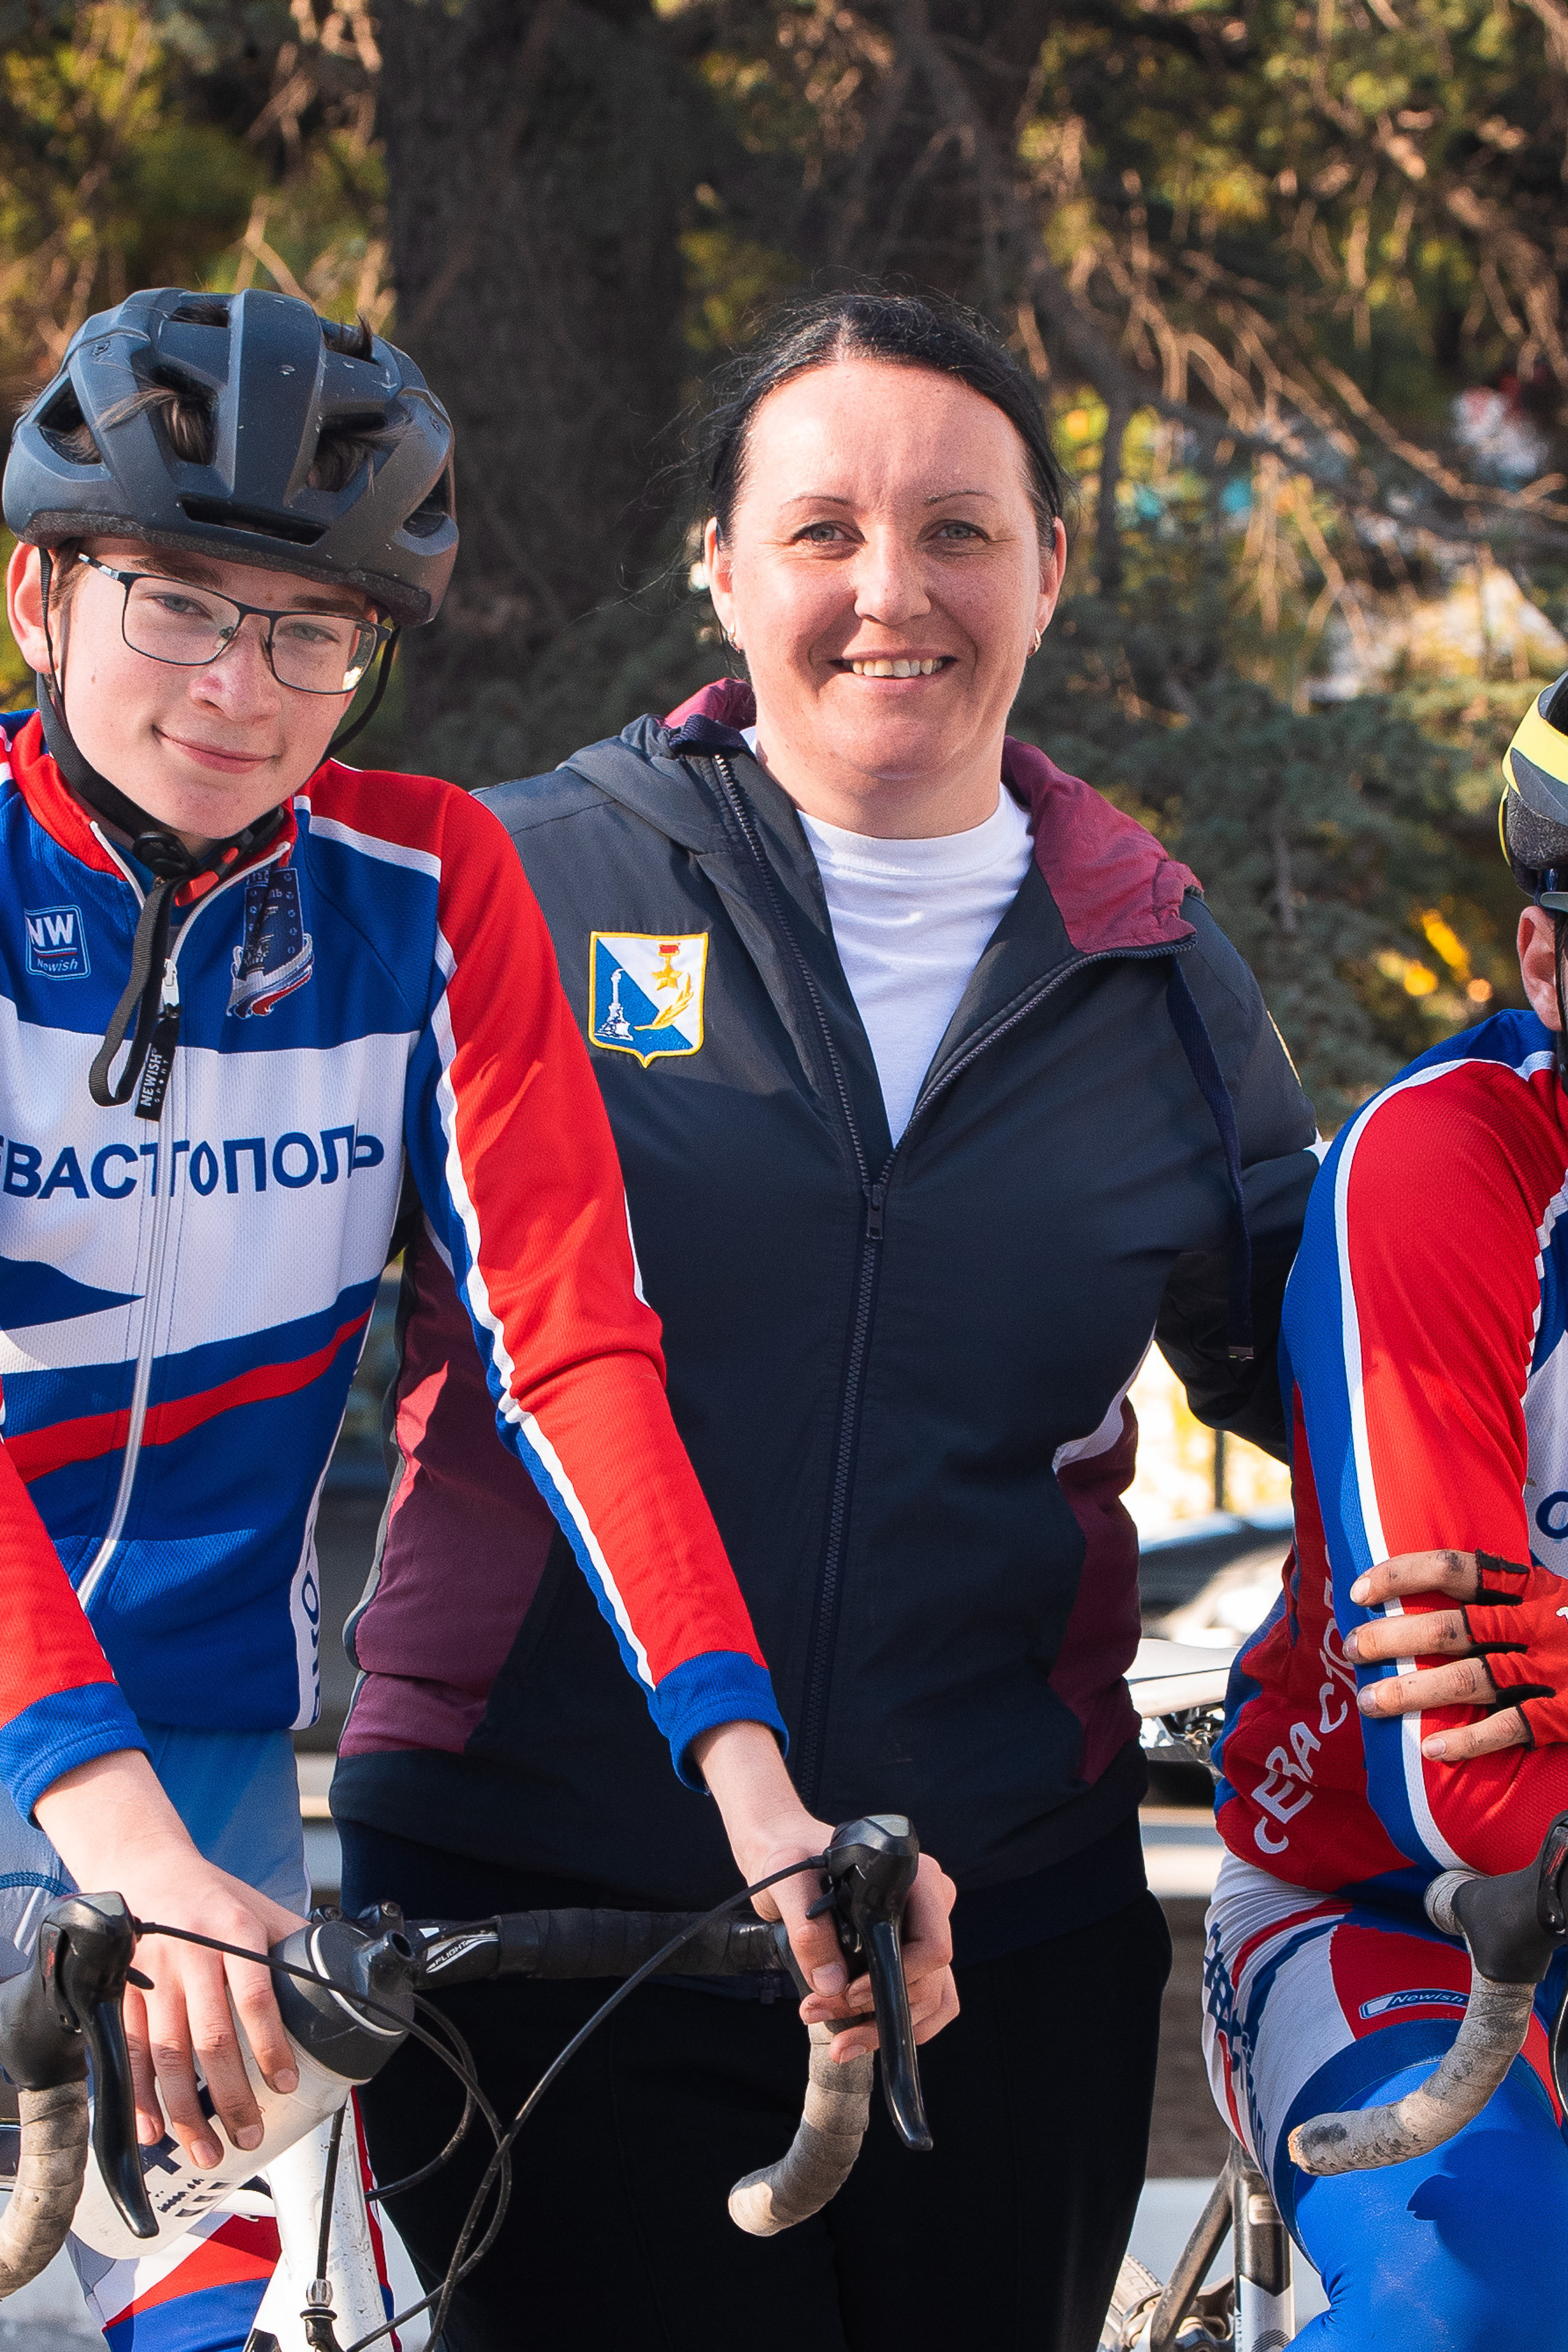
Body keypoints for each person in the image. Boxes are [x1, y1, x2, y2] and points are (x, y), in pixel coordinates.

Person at [333, 288, 1321, 2351]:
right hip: (554, 1912)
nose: (895, 591)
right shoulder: (511, 888)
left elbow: (1334, 1386)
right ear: (717, 564)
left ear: (1049, 568)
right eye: (823, 532)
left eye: (960, 530)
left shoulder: (1155, 969)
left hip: (1003, 1931)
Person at [0, 284, 929, 2352]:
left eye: (309, 631)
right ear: (39, 597)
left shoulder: (425, 890)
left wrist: (755, 1790)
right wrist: (117, 1841)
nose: (240, 689)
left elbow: (570, 1353)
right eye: (176, 604)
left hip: (201, 1761)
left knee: (245, 2318)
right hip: (100, 1783)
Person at [1204, 677, 1568, 2346]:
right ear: (1545, 965)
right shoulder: (1446, 1169)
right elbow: (1465, 1782)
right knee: (1482, 2307)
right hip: (1385, 1904)